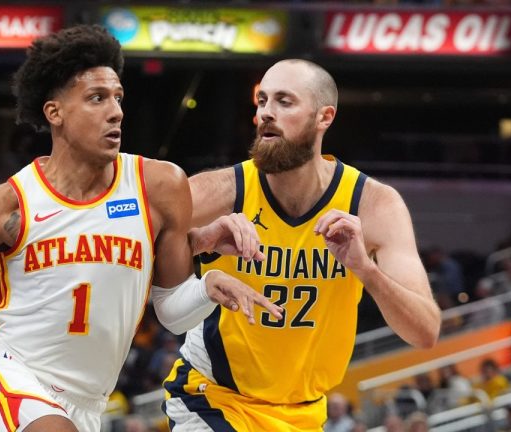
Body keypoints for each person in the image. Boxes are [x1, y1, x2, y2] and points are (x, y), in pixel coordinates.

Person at [0, 25, 282, 432]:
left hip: (85, 404)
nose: (116, 111)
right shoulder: (2, 205)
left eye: (118, 97)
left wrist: (210, 285)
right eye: (97, 98)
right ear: (54, 112)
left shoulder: (159, 186)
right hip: (2, 371)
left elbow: (173, 312)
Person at [163, 59, 441, 431]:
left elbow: (425, 332)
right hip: (213, 396)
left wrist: (365, 270)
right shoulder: (222, 191)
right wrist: (198, 241)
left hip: (305, 413)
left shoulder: (373, 205)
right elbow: (130, 251)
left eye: (284, 102)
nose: (265, 113)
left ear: (324, 117)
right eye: (262, 101)